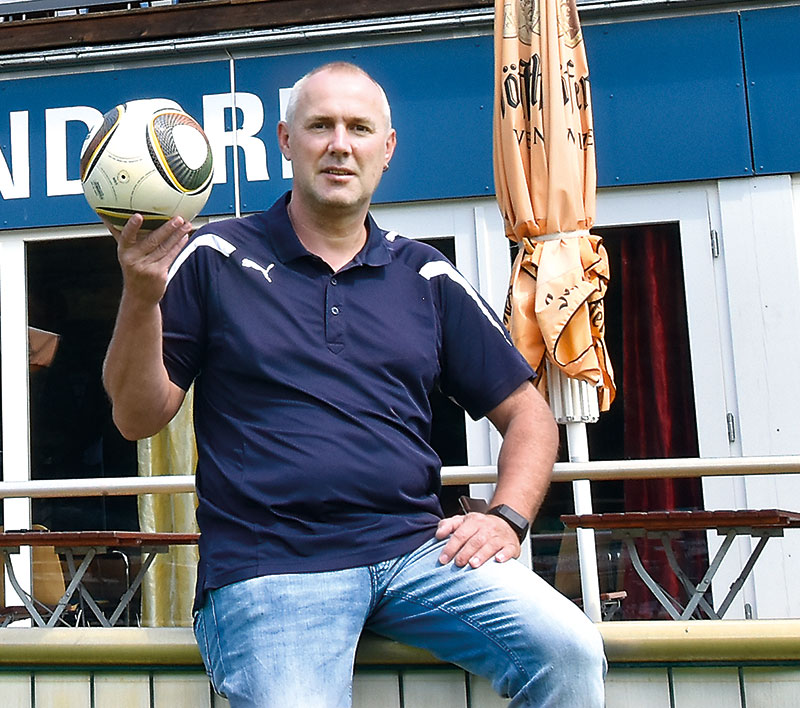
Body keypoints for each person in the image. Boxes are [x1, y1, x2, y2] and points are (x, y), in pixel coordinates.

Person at [103, 62, 605, 707]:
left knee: (569, 651)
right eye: (321, 126)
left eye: (359, 128)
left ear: (386, 149)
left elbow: (528, 415)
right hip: (271, 566)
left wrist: (507, 518)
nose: (340, 144)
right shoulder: (214, 255)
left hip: (419, 556)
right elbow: (136, 418)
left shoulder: (425, 273)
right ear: (285, 141)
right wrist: (141, 299)